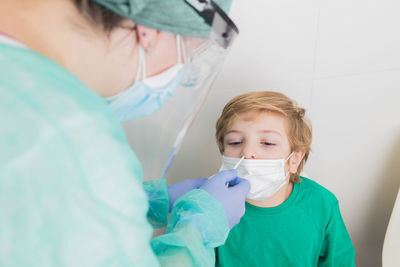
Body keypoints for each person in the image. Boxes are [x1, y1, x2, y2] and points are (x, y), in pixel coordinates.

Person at [0, 0, 250, 266]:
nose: (183, 73)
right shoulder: (71, 136)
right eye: (188, 54)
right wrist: (196, 230)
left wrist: (145, 201)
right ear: (150, 30)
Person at [214, 91, 356, 266]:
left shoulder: (321, 203)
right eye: (235, 142)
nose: (247, 152)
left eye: (267, 143)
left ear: (294, 159)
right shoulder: (209, 208)